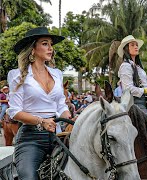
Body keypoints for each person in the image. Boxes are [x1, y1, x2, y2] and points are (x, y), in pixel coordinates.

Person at [7, 27, 71, 180]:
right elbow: (15, 112)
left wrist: (70, 119)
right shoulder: (17, 75)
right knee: (29, 178)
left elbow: (61, 105)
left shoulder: (57, 74)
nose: (50, 48)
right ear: (33, 49)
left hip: (58, 136)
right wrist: (41, 121)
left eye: (50, 44)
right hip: (31, 138)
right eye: (45, 44)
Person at [117, 35, 147, 115]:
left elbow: (144, 84)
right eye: (132, 45)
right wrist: (146, 90)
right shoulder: (126, 66)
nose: (136, 47)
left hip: (144, 102)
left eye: (136, 45)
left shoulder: (138, 68)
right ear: (126, 49)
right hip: (134, 103)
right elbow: (128, 89)